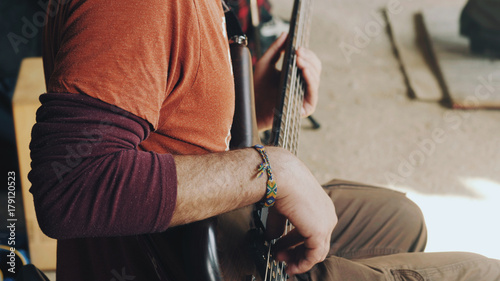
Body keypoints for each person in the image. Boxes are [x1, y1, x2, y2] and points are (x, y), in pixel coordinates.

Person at [28, 0, 500, 280]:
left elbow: (169, 125)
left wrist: (255, 100)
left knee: (400, 220)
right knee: (481, 273)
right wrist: (271, 170)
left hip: (207, 233)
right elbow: (70, 189)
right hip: (178, 265)